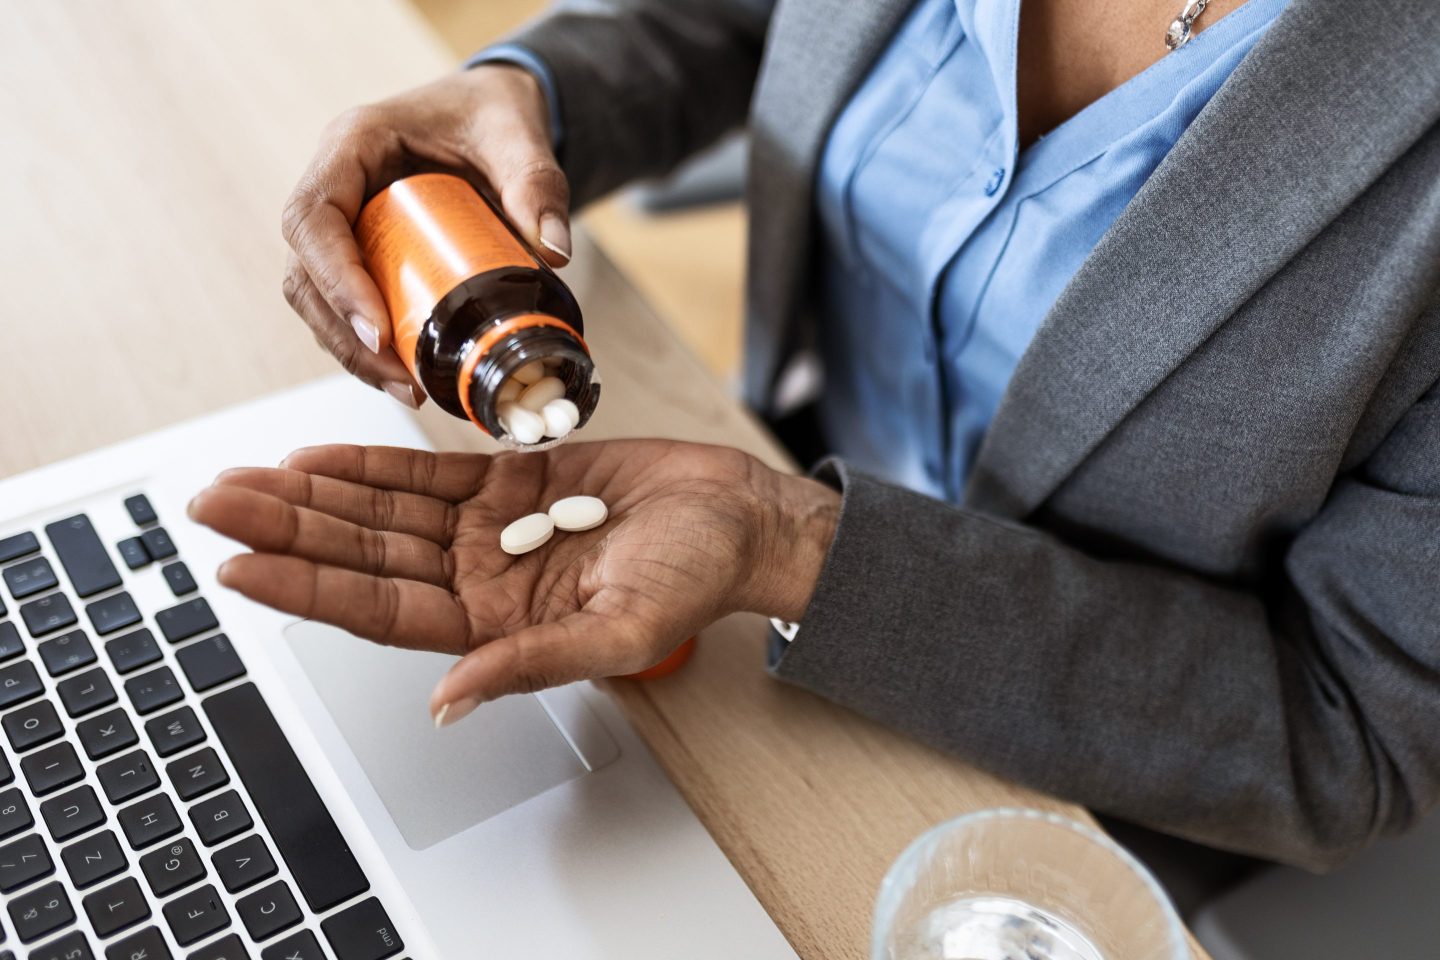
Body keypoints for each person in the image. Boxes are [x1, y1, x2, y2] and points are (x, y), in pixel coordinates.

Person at [188, 0, 1440, 883]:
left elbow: (1349, 733)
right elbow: (752, 19)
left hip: (1055, 810)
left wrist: (797, 544)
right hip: (738, 578)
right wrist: (527, 98)